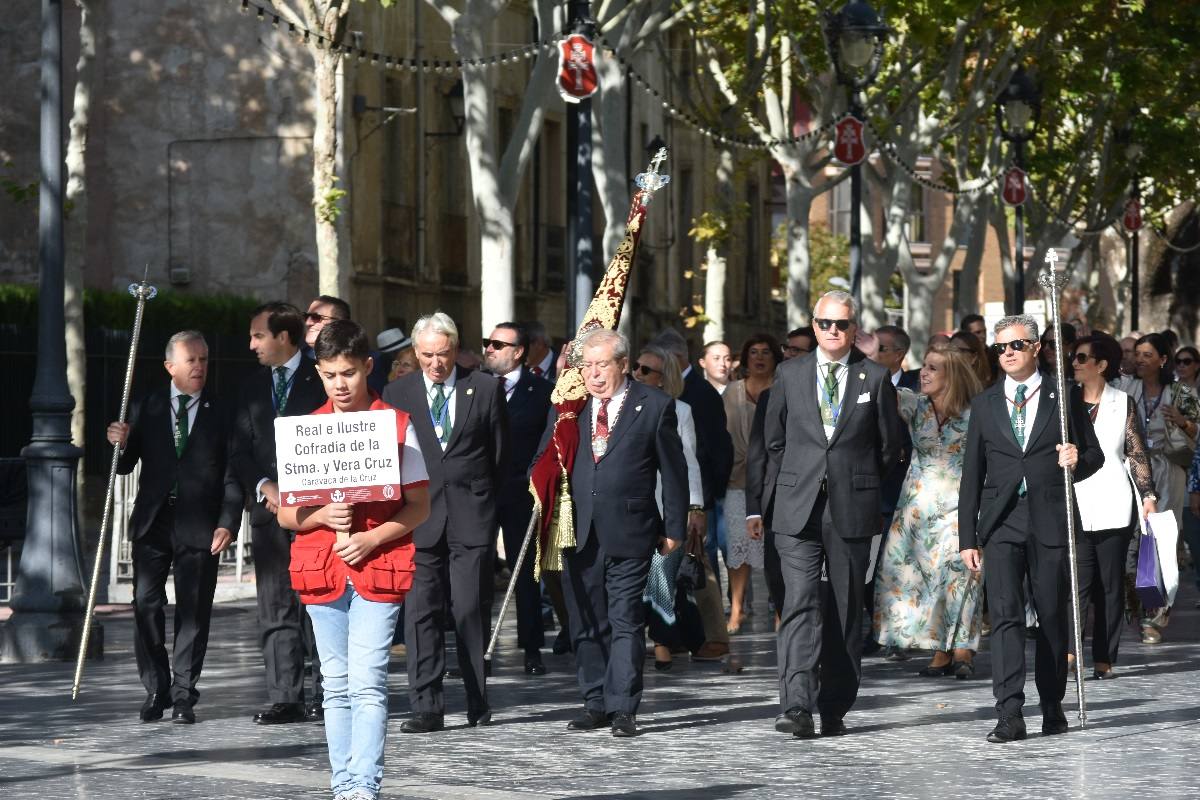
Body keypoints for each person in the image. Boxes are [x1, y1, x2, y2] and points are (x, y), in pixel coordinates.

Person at [277, 320, 431, 800]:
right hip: (321, 567)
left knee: (367, 683)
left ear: (367, 367)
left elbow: (420, 505)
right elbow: (286, 513)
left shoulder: (398, 426)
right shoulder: (307, 430)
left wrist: (370, 540)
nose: (339, 385)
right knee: (334, 684)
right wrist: (319, 513)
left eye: (347, 373)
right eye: (328, 375)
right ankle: (342, 782)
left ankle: (364, 784)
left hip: (377, 566)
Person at [761, 291, 901, 739]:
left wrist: (857, 481)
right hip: (797, 506)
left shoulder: (874, 378)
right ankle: (796, 705)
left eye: (841, 324)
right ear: (814, 324)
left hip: (851, 508)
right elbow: (775, 442)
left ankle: (835, 704)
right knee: (799, 602)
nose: (833, 331)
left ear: (855, 328)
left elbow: (889, 447)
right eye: (824, 324)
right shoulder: (789, 373)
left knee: (844, 608)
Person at [958, 314, 1103, 743]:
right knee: (1003, 618)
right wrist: (968, 536)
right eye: (999, 347)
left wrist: (1077, 459)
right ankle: (1008, 713)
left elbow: (1094, 455)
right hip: (1001, 522)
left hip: (1052, 518)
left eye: (1016, 345)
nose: (1007, 354)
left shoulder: (1065, 395)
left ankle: (1053, 703)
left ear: (1036, 348)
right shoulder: (984, 404)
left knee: (1053, 617)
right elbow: (972, 474)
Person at [538, 328, 687, 737]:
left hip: (631, 528)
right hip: (577, 528)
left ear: (623, 364)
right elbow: (545, 458)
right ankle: (595, 702)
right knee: (586, 620)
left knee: (624, 618)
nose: (594, 374)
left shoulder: (654, 405)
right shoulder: (569, 408)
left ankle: (623, 706)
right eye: (587, 365)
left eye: (602, 364)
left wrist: (674, 526)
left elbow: (673, 472)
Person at [381, 312, 509, 732]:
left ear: (456, 349)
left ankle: (477, 698)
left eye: (444, 353)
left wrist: (489, 509)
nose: (436, 363)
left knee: (470, 608)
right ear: (415, 353)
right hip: (418, 519)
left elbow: (498, 455)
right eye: (427, 355)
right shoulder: (396, 393)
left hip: (471, 517)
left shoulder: (485, 388)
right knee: (420, 613)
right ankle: (427, 706)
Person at [106, 331, 242, 724]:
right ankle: (156, 686)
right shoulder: (147, 405)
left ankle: (184, 694)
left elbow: (233, 472)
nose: (199, 366)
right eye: (191, 360)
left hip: (201, 522)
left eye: (203, 359)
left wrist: (228, 522)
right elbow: (124, 465)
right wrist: (118, 441)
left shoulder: (222, 409)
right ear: (171, 367)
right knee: (146, 604)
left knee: (193, 611)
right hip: (154, 520)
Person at [231, 302, 328, 724]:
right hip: (269, 512)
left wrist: (306, 493)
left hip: (315, 513)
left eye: (258, 335)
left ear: (284, 337)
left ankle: (328, 692)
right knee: (275, 605)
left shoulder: (322, 378)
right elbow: (239, 449)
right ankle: (284, 695)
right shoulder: (249, 387)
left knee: (321, 602)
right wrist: (264, 486)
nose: (251, 344)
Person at [873, 344, 983, 678]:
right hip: (916, 508)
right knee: (918, 578)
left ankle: (963, 649)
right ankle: (938, 648)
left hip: (960, 506)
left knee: (961, 578)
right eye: (924, 366)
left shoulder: (977, 411)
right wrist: (868, 353)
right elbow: (878, 388)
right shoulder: (914, 405)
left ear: (953, 374)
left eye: (933, 368)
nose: (924, 373)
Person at [1071, 335, 1157, 679]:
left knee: (1109, 585)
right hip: (1072, 503)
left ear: (1101, 365)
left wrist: (1148, 494)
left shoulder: (1123, 402)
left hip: (1113, 502)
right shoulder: (1064, 402)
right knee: (1075, 583)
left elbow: (1136, 453)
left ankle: (1105, 657)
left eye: (1081, 357)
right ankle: (1070, 651)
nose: (1074, 363)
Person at [1118, 332, 1200, 643]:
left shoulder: (1182, 392)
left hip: (1169, 470)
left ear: (1163, 359)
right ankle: (1138, 602)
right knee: (1132, 542)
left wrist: (1182, 422)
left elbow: (1198, 432)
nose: (1140, 359)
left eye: (1147, 354)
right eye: (1137, 354)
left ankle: (1157, 612)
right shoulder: (1127, 388)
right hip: (1134, 471)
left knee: (1164, 541)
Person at [481, 322, 553, 675]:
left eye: (497, 344)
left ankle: (532, 648)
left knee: (525, 571)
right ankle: (476, 648)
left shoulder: (541, 391)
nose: (489, 349)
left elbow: (549, 444)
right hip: (480, 492)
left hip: (522, 492)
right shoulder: (475, 387)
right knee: (477, 569)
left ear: (519, 351)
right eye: (487, 343)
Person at [630, 344, 706, 669]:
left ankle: (662, 641)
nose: (637, 373)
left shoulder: (680, 410)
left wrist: (695, 507)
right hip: (631, 507)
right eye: (635, 366)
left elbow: (687, 462)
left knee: (662, 575)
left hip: (667, 506)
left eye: (646, 370)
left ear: (663, 379)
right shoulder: (622, 406)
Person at [724, 334, 782, 634]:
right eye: (754, 352)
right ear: (745, 358)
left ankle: (780, 609)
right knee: (739, 550)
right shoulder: (731, 392)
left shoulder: (784, 390)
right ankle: (736, 610)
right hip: (736, 481)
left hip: (775, 482)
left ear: (775, 357)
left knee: (777, 549)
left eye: (766, 352)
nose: (759, 358)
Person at [874, 325, 920, 391]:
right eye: (871, 345)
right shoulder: (859, 380)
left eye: (879, 348)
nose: (871, 351)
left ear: (898, 355)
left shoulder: (915, 389)